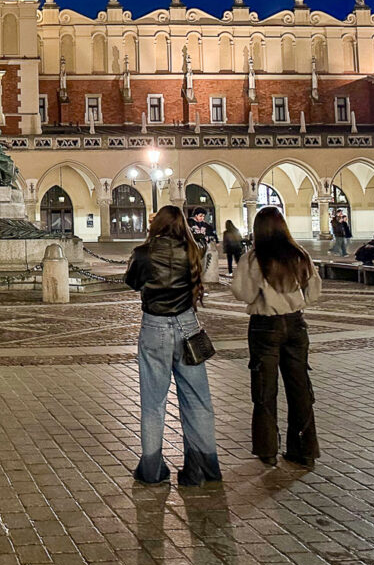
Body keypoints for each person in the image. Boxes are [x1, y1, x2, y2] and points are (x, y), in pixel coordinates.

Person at [125, 205, 222, 487]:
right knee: (198, 401)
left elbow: (132, 282)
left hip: (154, 328)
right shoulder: (194, 251)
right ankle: (203, 468)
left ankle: (152, 469)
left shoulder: (144, 253)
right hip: (188, 326)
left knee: (153, 404)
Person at [231, 207, 320, 468]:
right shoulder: (300, 255)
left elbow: (244, 294)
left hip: (265, 326)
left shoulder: (253, 258)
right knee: (300, 387)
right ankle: (304, 449)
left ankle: (267, 449)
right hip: (295, 324)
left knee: (264, 388)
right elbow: (313, 292)